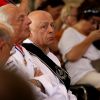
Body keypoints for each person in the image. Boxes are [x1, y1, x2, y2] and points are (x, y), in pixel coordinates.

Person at [23, 10, 77, 100]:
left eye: (52, 25)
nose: (51, 30)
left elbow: (64, 89)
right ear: (29, 31)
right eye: (43, 27)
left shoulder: (51, 56)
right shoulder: (24, 55)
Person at [58, 2, 100, 90]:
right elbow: (72, 56)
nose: (95, 26)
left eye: (98, 23)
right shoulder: (70, 32)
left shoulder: (90, 35)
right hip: (81, 74)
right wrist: (90, 38)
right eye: (93, 22)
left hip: (95, 71)